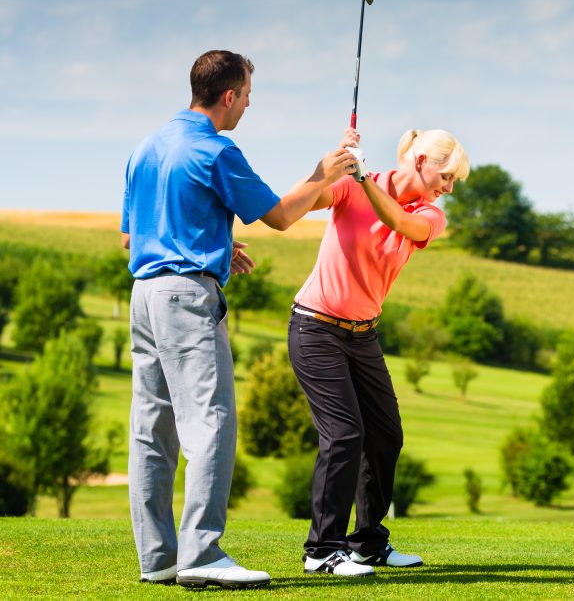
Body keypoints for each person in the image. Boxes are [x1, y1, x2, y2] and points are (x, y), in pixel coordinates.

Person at [121, 49, 358, 589]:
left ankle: (158, 559)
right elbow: (280, 215)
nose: (249, 104)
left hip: (144, 296)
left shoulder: (145, 147)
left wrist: (219, 244)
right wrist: (322, 174)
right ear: (228, 95)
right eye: (247, 95)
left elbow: (132, 238)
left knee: (151, 431)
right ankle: (202, 553)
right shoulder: (216, 150)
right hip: (187, 299)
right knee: (211, 423)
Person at [288, 128, 470, 576]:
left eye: (453, 182)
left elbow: (398, 223)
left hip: (363, 335)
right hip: (316, 328)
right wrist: (332, 167)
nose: (448, 188)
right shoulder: (350, 187)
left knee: (386, 435)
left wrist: (364, 177)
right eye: (446, 176)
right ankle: (321, 551)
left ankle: (367, 544)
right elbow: (301, 202)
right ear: (421, 161)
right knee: (344, 434)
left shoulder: (429, 214)